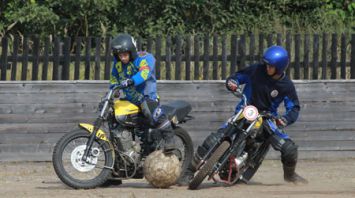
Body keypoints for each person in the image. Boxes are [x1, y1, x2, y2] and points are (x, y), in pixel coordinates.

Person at [178, 45, 307, 185]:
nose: (266, 67)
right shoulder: (257, 70)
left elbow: (294, 107)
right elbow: (238, 77)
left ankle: (290, 175)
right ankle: (189, 172)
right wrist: (232, 82)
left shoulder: (286, 85)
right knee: (214, 139)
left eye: (270, 66)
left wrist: (284, 119)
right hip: (245, 111)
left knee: (289, 149)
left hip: (267, 118)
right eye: (266, 64)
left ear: (280, 67)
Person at [109, 33, 175, 152]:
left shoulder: (143, 58)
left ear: (131, 51)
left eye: (125, 54)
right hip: (131, 99)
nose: (122, 58)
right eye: (120, 55)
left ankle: (169, 137)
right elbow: (114, 77)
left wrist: (132, 80)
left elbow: (145, 73)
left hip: (146, 96)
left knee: (151, 112)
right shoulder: (117, 64)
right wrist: (114, 88)